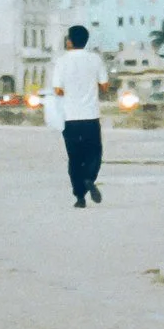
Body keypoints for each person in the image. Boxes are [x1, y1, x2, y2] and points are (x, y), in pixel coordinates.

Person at [50, 25, 110, 208]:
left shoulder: (61, 61)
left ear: (69, 41)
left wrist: (70, 92)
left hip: (70, 117)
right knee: (94, 154)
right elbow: (105, 86)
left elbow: (58, 90)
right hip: (91, 116)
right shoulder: (95, 59)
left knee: (75, 158)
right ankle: (89, 178)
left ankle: (80, 197)